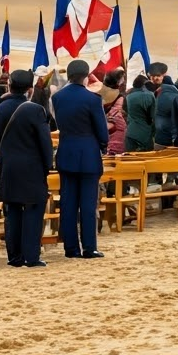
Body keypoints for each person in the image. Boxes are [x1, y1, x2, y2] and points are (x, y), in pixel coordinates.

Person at [53, 59, 109, 259]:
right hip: (88, 154)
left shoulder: (58, 98)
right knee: (87, 203)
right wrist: (102, 145)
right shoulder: (93, 99)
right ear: (86, 76)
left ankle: (71, 248)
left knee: (68, 203)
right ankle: (89, 247)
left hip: (66, 151)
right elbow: (102, 131)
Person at [0, 72, 54, 267]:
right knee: (33, 209)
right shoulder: (36, 110)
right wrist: (48, 166)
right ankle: (31, 256)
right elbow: (45, 142)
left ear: (9, 86)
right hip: (32, 165)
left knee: (11, 210)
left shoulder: (1, 108)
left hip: (8, 165)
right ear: (29, 90)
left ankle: (14, 257)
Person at [123, 74, 155, 152]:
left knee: (130, 160)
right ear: (144, 85)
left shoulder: (128, 96)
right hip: (144, 134)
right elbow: (153, 116)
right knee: (145, 161)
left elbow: (125, 112)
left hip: (130, 132)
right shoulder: (150, 95)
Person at [100, 68, 127, 155]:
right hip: (117, 131)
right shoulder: (120, 97)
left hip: (103, 130)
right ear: (118, 83)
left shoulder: (99, 93)